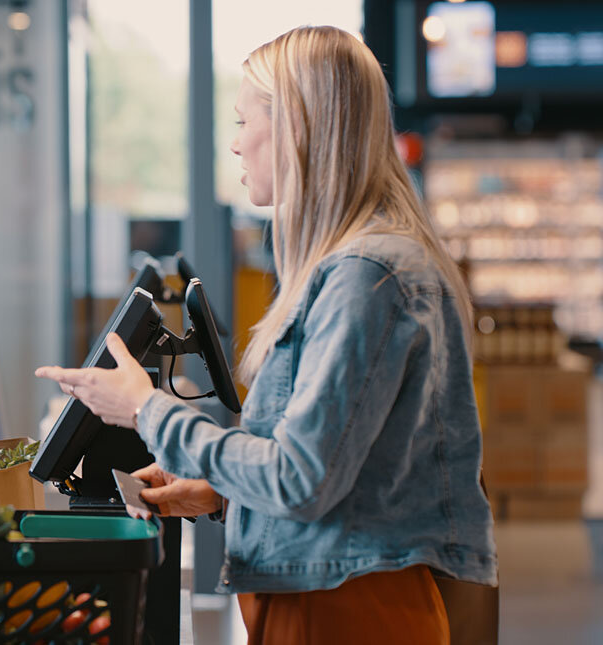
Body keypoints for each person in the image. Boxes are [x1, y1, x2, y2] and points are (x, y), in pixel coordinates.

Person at [37, 26, 497, 644]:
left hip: (345, 613)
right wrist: (219, 494)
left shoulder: (367, 276)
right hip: (337, 596)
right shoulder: (365, 266)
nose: (234, 145)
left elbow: (298, 478)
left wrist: (144, 408)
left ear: (297, 129)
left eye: (242, 121)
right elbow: (345, 476)